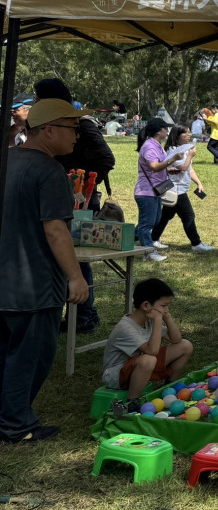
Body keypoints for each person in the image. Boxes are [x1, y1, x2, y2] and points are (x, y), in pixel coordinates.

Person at [0, 99, 89, 443]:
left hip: (7, 280)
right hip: (34, 285)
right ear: (49, 130)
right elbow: (55, 230)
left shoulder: (8, 159)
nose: (77, 137)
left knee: (6, 350)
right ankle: (15, 423)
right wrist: (76, 277)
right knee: (30, 356)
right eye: (73, 129)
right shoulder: (50, 172)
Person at [34, 78, 115, 334]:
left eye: (38, 97)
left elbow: (106, 158)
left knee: (75, 258)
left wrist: (79, 185)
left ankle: (83, 316)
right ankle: (81, 313)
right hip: (60, 193)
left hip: (77, 199)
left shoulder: (81, 124)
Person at [104, 278, 194, 415]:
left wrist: (167, 317)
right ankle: (133, 402)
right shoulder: (126, 327)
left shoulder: (149, 320)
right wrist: (158, 319)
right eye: (163, 306)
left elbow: (176, 339)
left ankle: (169, 388)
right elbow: (152, 351)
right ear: (146, 306)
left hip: (140, 367)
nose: (166, 310)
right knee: (149, 359)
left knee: (185, 346)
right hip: (115, 375)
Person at [150, 126, 214, 253]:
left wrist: (199, 183)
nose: (189, 135)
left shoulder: (185, 150)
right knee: (188, 215)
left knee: (166, 215)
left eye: (189, 132)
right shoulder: (172, 150)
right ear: (177, 135)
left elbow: (190, 169)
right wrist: (190, 155)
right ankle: (196, 244)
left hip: (181, 187)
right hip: (175, 188)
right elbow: (183, 167)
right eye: (186, 133)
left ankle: (152, 239)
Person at [134, 118, 173, 263]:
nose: (167, 131)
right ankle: (149, 252)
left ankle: (125, 238)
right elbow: (154, 166)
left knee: (154, 220)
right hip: (146, 192)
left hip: (155, 191)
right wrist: (171, 160)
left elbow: (159, 166)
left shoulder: (157, 145)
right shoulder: (150, 146)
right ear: (159, 131)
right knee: (147, 224)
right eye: (165, 128)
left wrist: (170, 168)